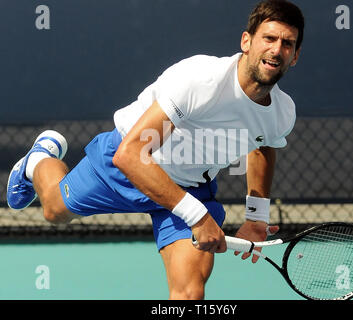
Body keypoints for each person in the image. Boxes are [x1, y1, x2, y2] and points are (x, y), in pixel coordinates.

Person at [7, 0, 304, 299]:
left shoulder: (282, 113)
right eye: (269, 38)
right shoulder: (201, 80)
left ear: (295, 57)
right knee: (53, 209)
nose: (276, 50)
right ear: (246, 41)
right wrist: (198, 218)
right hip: (123, 168)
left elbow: (262, 147)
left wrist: (256, 217)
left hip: (190, 189)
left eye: (287, 44)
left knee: (189, 294)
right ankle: (39, 160)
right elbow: (131, 154)